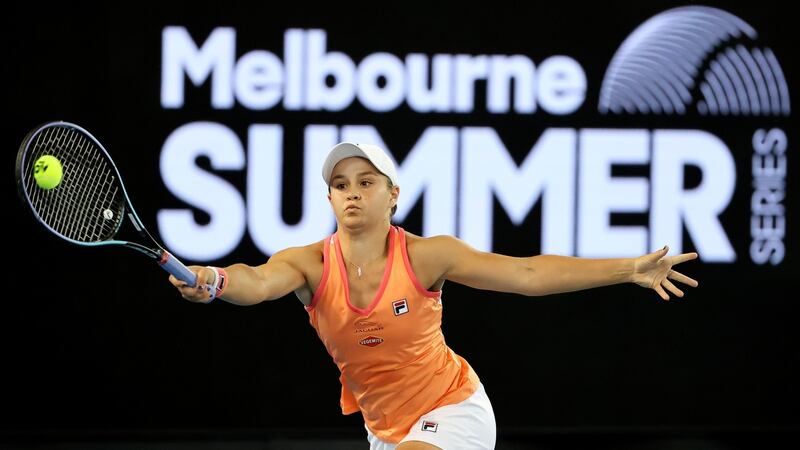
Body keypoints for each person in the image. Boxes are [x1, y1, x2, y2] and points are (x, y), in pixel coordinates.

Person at [169, 142, 699, 450]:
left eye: (366, 181)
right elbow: (256, 281)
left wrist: (630, 269)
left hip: (454, 409)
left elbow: (529, 273)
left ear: (393, 195)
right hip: (385, 431)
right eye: (340, 184)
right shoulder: (308, 264)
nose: (352, 191)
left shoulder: (427, 256)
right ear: (329, 197)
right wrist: (214, 281)